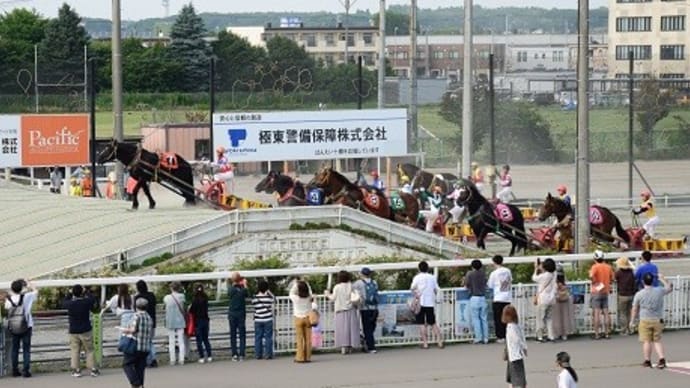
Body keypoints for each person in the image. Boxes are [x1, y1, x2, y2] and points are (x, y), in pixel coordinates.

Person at [630, 273, 673, 369]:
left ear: (643, 281)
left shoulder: (639, 294)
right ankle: (662, 359)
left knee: (647, 341)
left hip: (645, 319)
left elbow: (635, 308)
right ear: (653, 281)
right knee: (657, 341)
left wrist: (632, 321)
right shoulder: (659, 291)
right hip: (657, 319)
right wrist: (663, 279)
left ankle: (647, 360)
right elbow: (669, 288)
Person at [62, 284, 99, 377]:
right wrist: (86, 291)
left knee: (75, 350)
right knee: (89, 350)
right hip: (86, 329)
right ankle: (93, 369)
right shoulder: (86, 302)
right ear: (82, 293)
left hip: (73, 330)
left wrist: (69, 293)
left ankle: (76, 370)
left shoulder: (70, 304)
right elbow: (93, 299)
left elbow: (64, 302)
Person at [5, 279, 37, 378]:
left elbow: (7, 308)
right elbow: (36, 291)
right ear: (22, 288)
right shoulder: (26, 297)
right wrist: (29, 285)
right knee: (26, 349)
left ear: (12, 289)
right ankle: (26, 371)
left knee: (15, 349)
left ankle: (15, 370)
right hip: (26, 325)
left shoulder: (8, 299)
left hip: (13, 326)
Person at [120, 298, 153, 388]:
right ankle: (140, 385)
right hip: (145, 347)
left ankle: (136, 383)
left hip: (135, 345)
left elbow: (133, 330)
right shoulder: (149, 317)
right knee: (140, 368)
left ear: (136, 306)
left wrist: (123, 329)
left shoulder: (136, 316)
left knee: (127, 364)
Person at [326, 271, 361, 355]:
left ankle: (343, 347)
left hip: (340, 311)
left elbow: (333, 298)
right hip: (351, 310)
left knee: (342, 330)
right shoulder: (351, 286)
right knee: (351, 329)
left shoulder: (337, 287)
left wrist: (327, 294)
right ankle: (351, 346)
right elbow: (356, 296)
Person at [410, 261, 444, 349]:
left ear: (419, 268)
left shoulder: (417, 277)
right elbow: (437, 288)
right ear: (428, 268)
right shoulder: (432, 277)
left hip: (420, 303)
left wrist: (417, 292)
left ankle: (425, 344)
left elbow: (412, 288)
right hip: (430, 303)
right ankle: (439, 342)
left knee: (421, 323)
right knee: (433, 323)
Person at [487, 255, 512, 343]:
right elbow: (510, 280)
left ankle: (500, 336)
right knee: (507, 317)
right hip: (507, 297)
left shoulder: (494, 273)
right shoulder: (508, 271)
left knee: (498, 318)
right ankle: (507, 335)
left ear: (494, 262)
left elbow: (490, 285)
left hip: (498, 297)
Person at [589, 250, 614, 339]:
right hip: (605, 291)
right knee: (606, 312)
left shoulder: (594, 267)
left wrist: (595, 283)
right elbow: (612, 278)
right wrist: (607, 283)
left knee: (596, 313)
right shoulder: (608, 267)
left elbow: (591, 276)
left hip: (596, 291)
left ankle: (597, 334)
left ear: (595, 258)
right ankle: (607, 333)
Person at [353, 267, 379, 353]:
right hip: (375, 308)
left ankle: (370, 347)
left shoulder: (358, 283)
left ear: (362, 274)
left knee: (367, 328)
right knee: (371, 327)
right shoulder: (374, 282)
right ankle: (369, 343)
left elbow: (352, 291)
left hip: (364, 308)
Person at [532, 257, 557, 342]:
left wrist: (536, 268)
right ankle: (551, 336)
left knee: (540, 318)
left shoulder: (544, 276)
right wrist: (541, 268)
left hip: (543, 299)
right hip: (552, 299)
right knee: (549, 318)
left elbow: (534, 278)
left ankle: (540, 336)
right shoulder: (554, 274)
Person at [134, 280, 158, 367]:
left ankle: (147, 360)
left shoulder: (137, 297)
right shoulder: (151, 295)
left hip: (141, 322)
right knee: (150, 341)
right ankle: (153, 359)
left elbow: (135, 310)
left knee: (143, 342)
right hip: (152, 321)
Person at [503, 305, 528, 388]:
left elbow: (516, 339)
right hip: (514, 355)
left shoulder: (511, 327)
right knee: (513, 376)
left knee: (517, 376)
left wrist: (522, 346)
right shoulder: (516, 325)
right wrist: (524, 348)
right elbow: (522, 337)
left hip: (514, 355)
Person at [464, 259, 488, 344]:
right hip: (483, 297)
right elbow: (486, 283)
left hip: (474, 297)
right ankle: (486, 338)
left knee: (476, 319)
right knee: (484, 319)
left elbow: (466, 284)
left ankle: (478, 338)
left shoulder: (470, 274)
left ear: (472, 266)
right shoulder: (483, 273)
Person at [163, 281, 186, 365]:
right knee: (181, 340)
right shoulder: (182, 296)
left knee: (171, 341)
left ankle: (172, 360)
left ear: (171, 288)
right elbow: (183, 308)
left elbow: (165, 308)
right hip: (180, 319)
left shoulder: (166, 297)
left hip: (170, 320)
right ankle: (181, 359)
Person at [289, 280, 313, 363]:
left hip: (298, 318)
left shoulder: (296, 298)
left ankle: (300, 357)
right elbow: (310, 291)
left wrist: (296, 284)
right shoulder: (309, 297)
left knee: (299, 339)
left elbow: (291, 292)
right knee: (308, 339)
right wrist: (307, 284)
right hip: (308, 318)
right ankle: (308, 357)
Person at [189, 283, 213, 363]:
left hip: (198, 321)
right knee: (206, 339)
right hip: (206, 320)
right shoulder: (205, 298)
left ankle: (202, 357)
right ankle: (209, 355)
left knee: (199, 340)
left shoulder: (195, 300)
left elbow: (191, 310)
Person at [251, 280, 274, 360]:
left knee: (258, 337)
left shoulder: (255, 298)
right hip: (268, 319)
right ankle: (268, 354)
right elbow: (274, 299)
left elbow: (253, 305)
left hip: (258, 319)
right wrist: (269, 292)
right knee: (268, 337)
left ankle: (258, 354)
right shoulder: (269, 298)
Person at [227, 272, 248, 361]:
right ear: (240, 280)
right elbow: (247, 294)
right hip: (241, 314)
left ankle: (234, 354)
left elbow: (230, 292)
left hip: (232, 314)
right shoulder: (243, 290)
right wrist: (245, 284)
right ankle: (242, 354)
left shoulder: (230, 289)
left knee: (233, 334)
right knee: (242, 334)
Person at [614, 257, 637, 335]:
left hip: (622, 295)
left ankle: (624, 329)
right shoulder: (631, 272)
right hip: (631, 294)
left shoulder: (619, 272)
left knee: (623, 313)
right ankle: (630, 328)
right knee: (629, 312)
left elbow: (614, 279)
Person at [552, 276, 573, 341]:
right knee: (565, 317)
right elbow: (568, 290)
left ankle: (557, 333)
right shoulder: (565, 281)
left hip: (556, 301)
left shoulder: (553, 280)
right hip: (565, 300)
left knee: (556, 318)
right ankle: (565, 334)